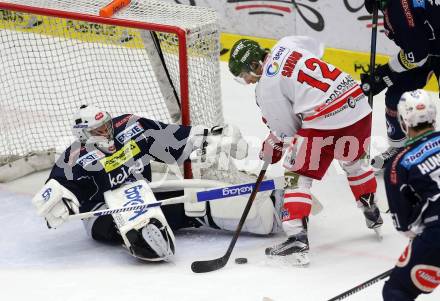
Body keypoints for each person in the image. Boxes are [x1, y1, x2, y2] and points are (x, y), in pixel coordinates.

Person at [31, 105, 277, 262]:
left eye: (106, 125)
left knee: (194, 202)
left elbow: (172, 138)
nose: (107, 133)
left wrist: (211, 139)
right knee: (140, 227)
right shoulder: (73, 157)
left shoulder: (130, 126)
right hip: (103, 212)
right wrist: (60, 201)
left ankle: (266, 213)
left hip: (145, 193)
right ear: (83, 135)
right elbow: (57, 187)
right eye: (98, 130)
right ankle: (139, 234)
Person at [228, 36, 383, 265]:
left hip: (326, 119)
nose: (248, 81)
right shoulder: (287, 43)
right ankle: (371, 210)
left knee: (297, 175)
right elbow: (317, 48)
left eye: (245, 75)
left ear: (254, 65)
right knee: (354, 163)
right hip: (357, 104)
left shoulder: (266, 88)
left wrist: (274, 145)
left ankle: (296, 240)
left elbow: (287, 130)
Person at [361, 0, 440, 169]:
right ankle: (399, 148)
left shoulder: (397, 8)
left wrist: (386, 73)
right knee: (396, 94)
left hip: (430, 50)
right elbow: (418, 52)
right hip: (431, 50)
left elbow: (417, 54)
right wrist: (386, 76)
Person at [383, 89, 440, 300]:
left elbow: (404, 225)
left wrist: (424, 246)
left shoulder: (399, 163)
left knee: (396, 291)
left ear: (402, 121)